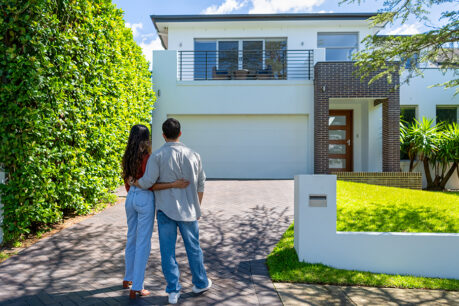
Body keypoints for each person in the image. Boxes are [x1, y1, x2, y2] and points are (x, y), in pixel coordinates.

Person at [132, 118, 211, 304]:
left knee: (167, 252)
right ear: (180, 133)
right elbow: (201, 184)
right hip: (189, 212)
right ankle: (200, 283)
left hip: (165, 211)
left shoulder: (157, 156)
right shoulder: (194, 155)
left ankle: (173, 291)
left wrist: (134, 182)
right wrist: (196, 206)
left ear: (163, 135)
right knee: (194, 249)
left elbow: (148, 182)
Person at [121, 124, 189, 300]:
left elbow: (127, 179)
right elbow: (150, 183)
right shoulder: (148, 158)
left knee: (131, 238)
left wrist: (133, 190)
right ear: (147, 138)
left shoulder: (127, 155)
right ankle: (137, 287)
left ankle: (128, 278)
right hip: (144, 198)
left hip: (130, 198)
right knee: (143, 242)